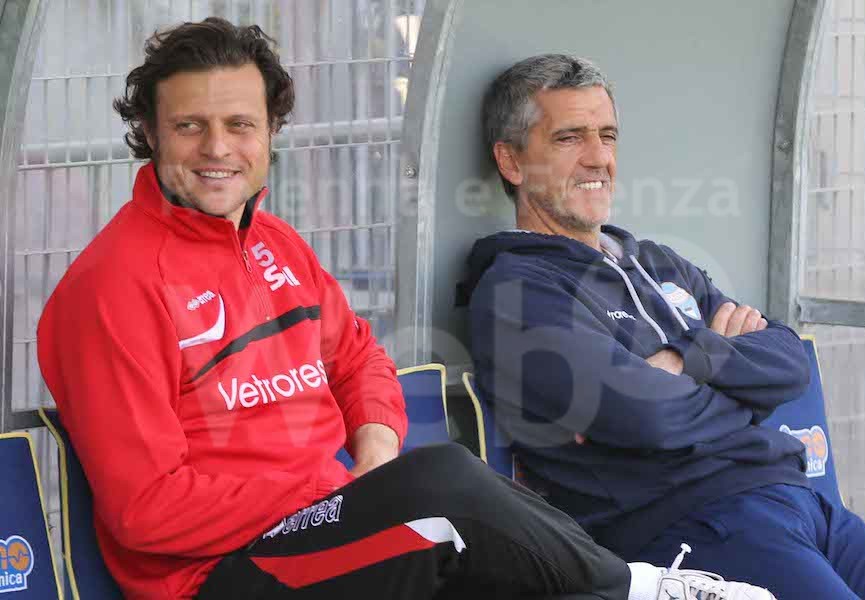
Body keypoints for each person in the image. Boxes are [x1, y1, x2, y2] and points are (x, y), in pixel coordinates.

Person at [36, 19, 776, 600]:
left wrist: (374, 456)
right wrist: (342, 490)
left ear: (271, 133)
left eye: (240, 124)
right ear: (150, 134)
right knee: (444, 485)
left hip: (335, 526)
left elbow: (360, 359)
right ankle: (644, 587)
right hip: (226, 573)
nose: (217, 148)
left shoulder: (275, 245)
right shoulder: (112, 288)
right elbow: (148, 510)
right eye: (189, 126)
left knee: (503, 555)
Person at [464, 53, 865, 600]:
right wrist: (744, 386)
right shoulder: (518, 291)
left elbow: (790, 363)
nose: (599, 157)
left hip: (802, 502)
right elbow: (648, 416)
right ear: (511, 162)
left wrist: (690, 358)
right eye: (569, 138)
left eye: (607, 135)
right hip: (695, 526)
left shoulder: (658, 263)